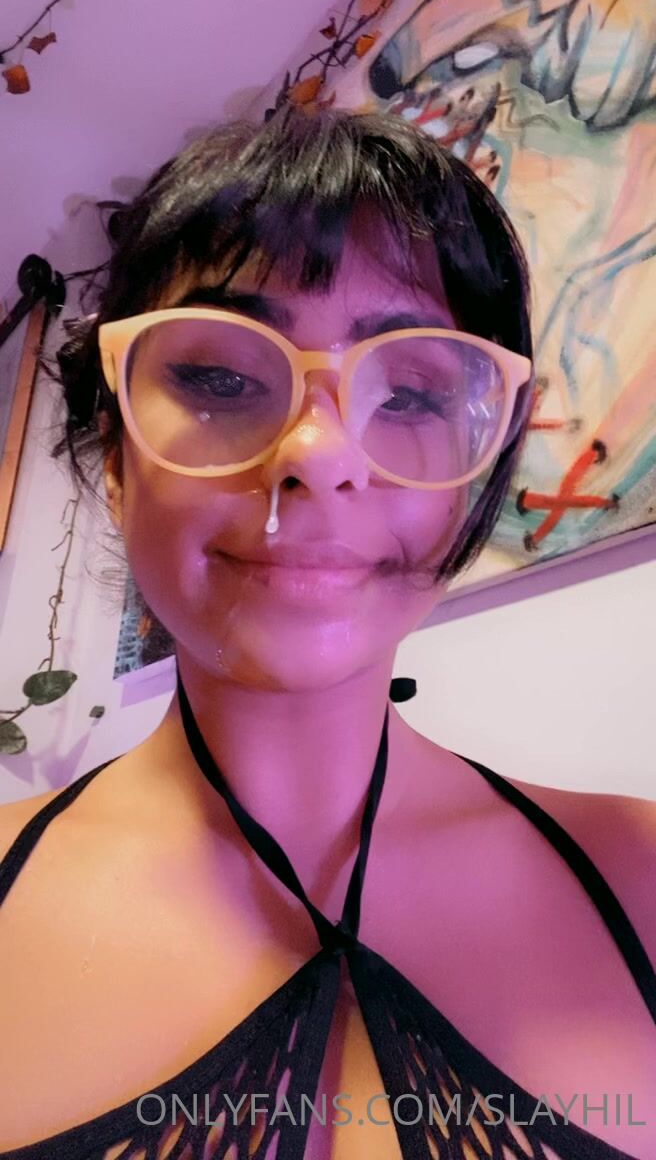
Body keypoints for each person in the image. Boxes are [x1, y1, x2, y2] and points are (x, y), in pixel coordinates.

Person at [0, 107, 654, 1160]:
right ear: (115, 459)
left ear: (482, 473)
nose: (318, 452)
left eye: (414, 392)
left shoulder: (643, 876)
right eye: (220, 378)